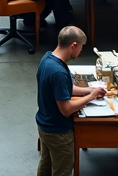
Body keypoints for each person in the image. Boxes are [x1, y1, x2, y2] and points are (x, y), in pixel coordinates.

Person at [35, 27, 106, 176]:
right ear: (73, 45)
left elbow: (64, 89)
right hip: (58, 132)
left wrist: (89, 91)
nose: (81, 51)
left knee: (46, 166)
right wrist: (91, 97)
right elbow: (66, 109)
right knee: (62, 171)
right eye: (81, 47)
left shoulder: (48, 59)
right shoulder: (59, 73)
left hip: (44, 126)